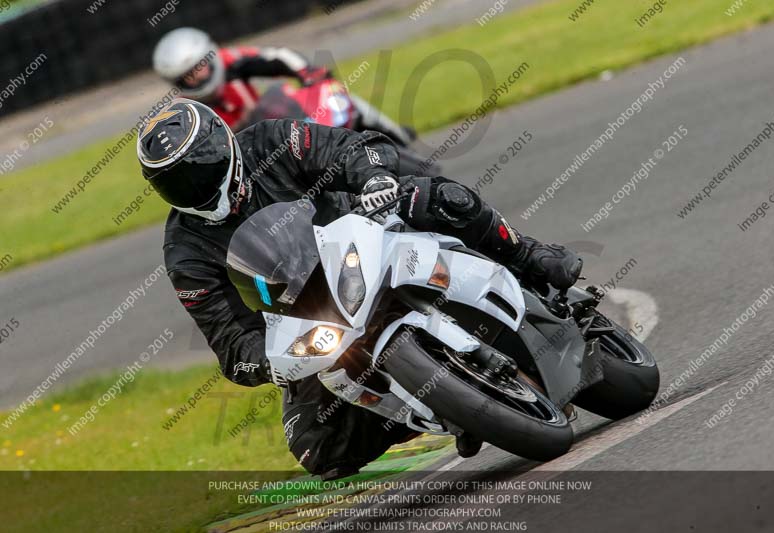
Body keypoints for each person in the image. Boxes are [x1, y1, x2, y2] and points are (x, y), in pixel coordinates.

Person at [136, 98, 581, 479]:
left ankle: (529, 255)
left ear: (224, 142)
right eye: (178, 180)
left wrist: (373, 179)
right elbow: (228, 340)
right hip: (310, 315)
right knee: (317, 449)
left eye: (201, 167)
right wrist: (268, 364)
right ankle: (443, 411)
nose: (196, 185)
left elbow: (349, 147)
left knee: (440, 198)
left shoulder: (271, 141)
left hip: (363, 237)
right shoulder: (184, 253)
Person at [152, 27, 414, 143]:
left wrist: (308, 72)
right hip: (246, 149)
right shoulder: (187, 111)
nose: (198, 76)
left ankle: (395, 135)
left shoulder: (230, 60)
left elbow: (276, 56)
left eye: (200, 66)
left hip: (274, 123)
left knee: (339, 98)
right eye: (189, 75)